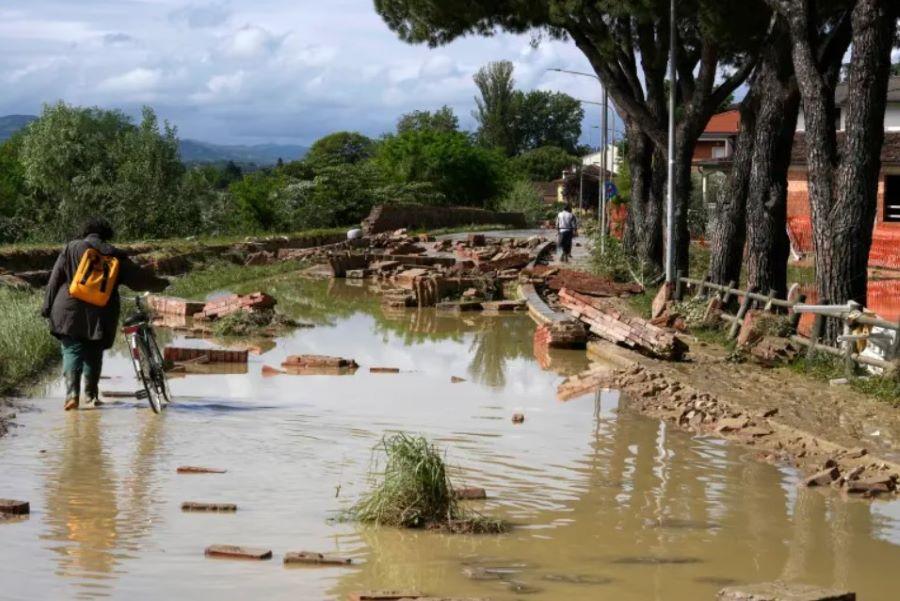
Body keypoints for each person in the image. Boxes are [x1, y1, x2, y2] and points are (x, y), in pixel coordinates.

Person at [42, 218, 169, 410]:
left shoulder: (71, 248)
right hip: (101, 312)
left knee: (71, 349)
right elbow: (138, 281)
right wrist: (161, 283)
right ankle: (91, 396)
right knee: (93, 352)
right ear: (107, 235)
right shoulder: (116, 256)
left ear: (85, 232)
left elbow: (54, 279)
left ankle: (71, 396)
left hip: (68, 308)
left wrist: (47, 306)